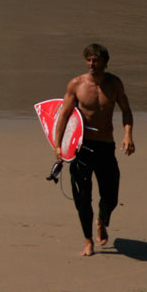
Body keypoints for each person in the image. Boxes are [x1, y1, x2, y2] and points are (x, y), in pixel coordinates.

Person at [54, 43, 135, 256]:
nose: (92, 64)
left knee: (111, 195)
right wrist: (58, 145)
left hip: (106, 146)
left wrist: (128, 134)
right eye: (89, 59)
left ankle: (102, 219)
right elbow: (63, 115)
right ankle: (88, 240)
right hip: (82, 147)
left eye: (96, 60)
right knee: (83, 197)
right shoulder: (76, 84)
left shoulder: (114, 84)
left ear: (104, 62)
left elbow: (126, 110)